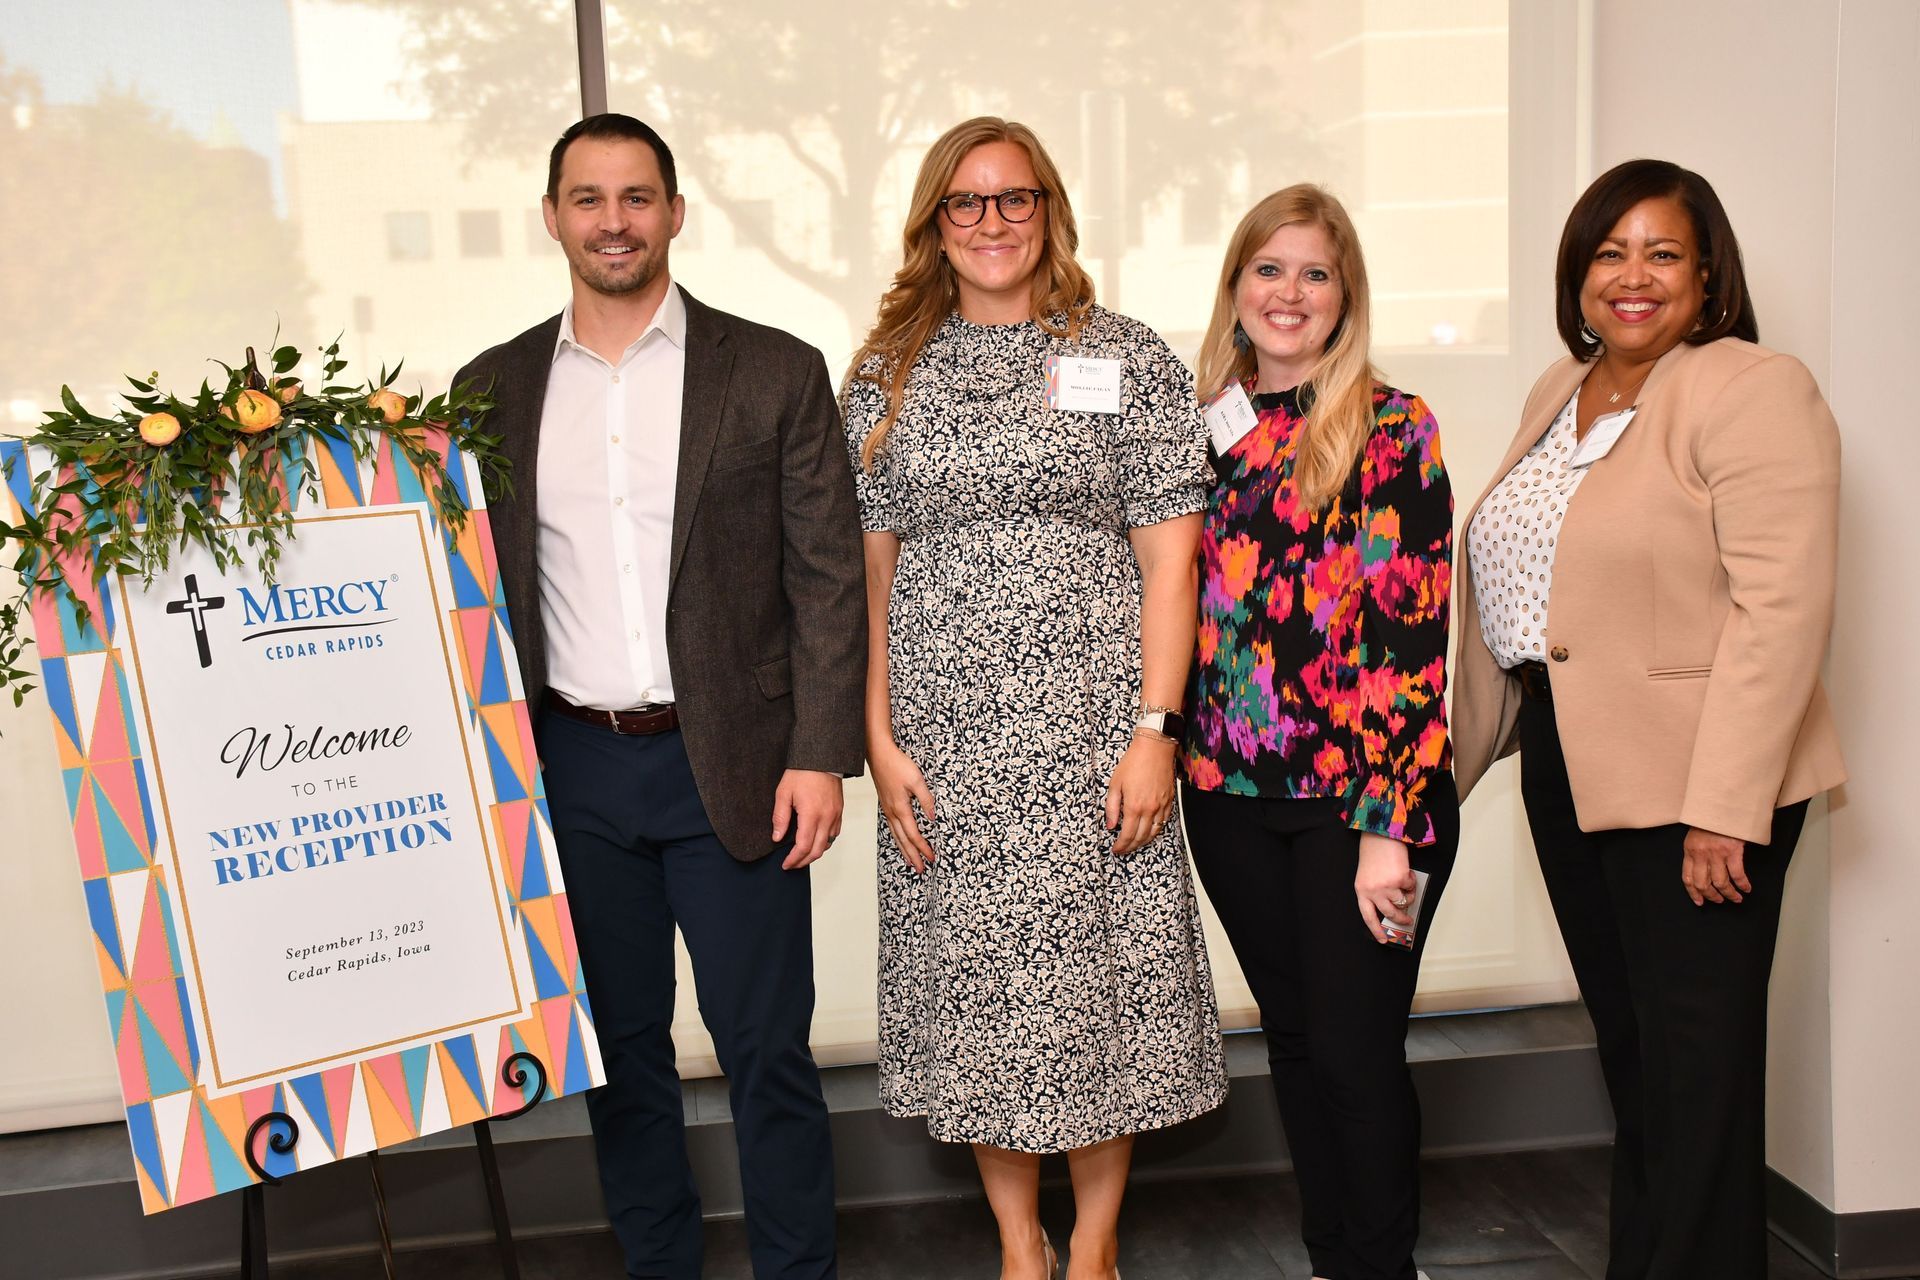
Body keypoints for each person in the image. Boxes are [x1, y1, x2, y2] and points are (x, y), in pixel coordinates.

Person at [454, 114, 866, 1280]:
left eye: (637, 196)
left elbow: (828, 576)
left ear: (676, 213)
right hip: (574, 770)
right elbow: (459, 576)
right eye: (588, 198)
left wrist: (818, 751)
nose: (614, 221)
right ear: (552, 218)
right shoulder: (489, 388)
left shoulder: (774, 369)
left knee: (767, 1055)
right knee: (622, 1061)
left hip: (737, 762)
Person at [841, 116, 1227, 1280]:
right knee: (984, 998)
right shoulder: (885, 374)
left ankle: (1095, 1244)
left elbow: (1173, 565)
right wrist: (877, 734)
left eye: (1015, 198)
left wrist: (1156, 730)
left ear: (1050, 211)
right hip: (946, 746)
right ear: (935, 224)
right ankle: (1020, 1243)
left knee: (1095, 989)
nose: (992, 221)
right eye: (967, 202)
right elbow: (870, 576)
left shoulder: (1128, 357)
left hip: (1094, 737)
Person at [1452, 158, 1845, 1280]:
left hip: (1698, 780)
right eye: (1609, 253)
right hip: (1568, 757)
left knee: (1697, 1076)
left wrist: (1726, 807)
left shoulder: (1751, 387)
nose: (1634, 276)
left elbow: (1781, 613)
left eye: (1663, 253)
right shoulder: (1560, 388)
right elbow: (1530, 588)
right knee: (1639, 1062)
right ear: (1577, 275)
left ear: (1708, 274)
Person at [1179, 185, 1458, 1280]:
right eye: (1269, 269)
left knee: (1354, 1053)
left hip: (1363, 805)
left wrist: (1389, 832)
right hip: (1229, 796)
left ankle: (1383, 1266)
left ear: (1346, 296)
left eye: (1315, 273)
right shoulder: (1200, 424)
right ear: (1235, 285)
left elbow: (1410, 638)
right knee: (1295, 1042)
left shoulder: (1392, 425)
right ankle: (1334, 1260)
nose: (1288, 293)